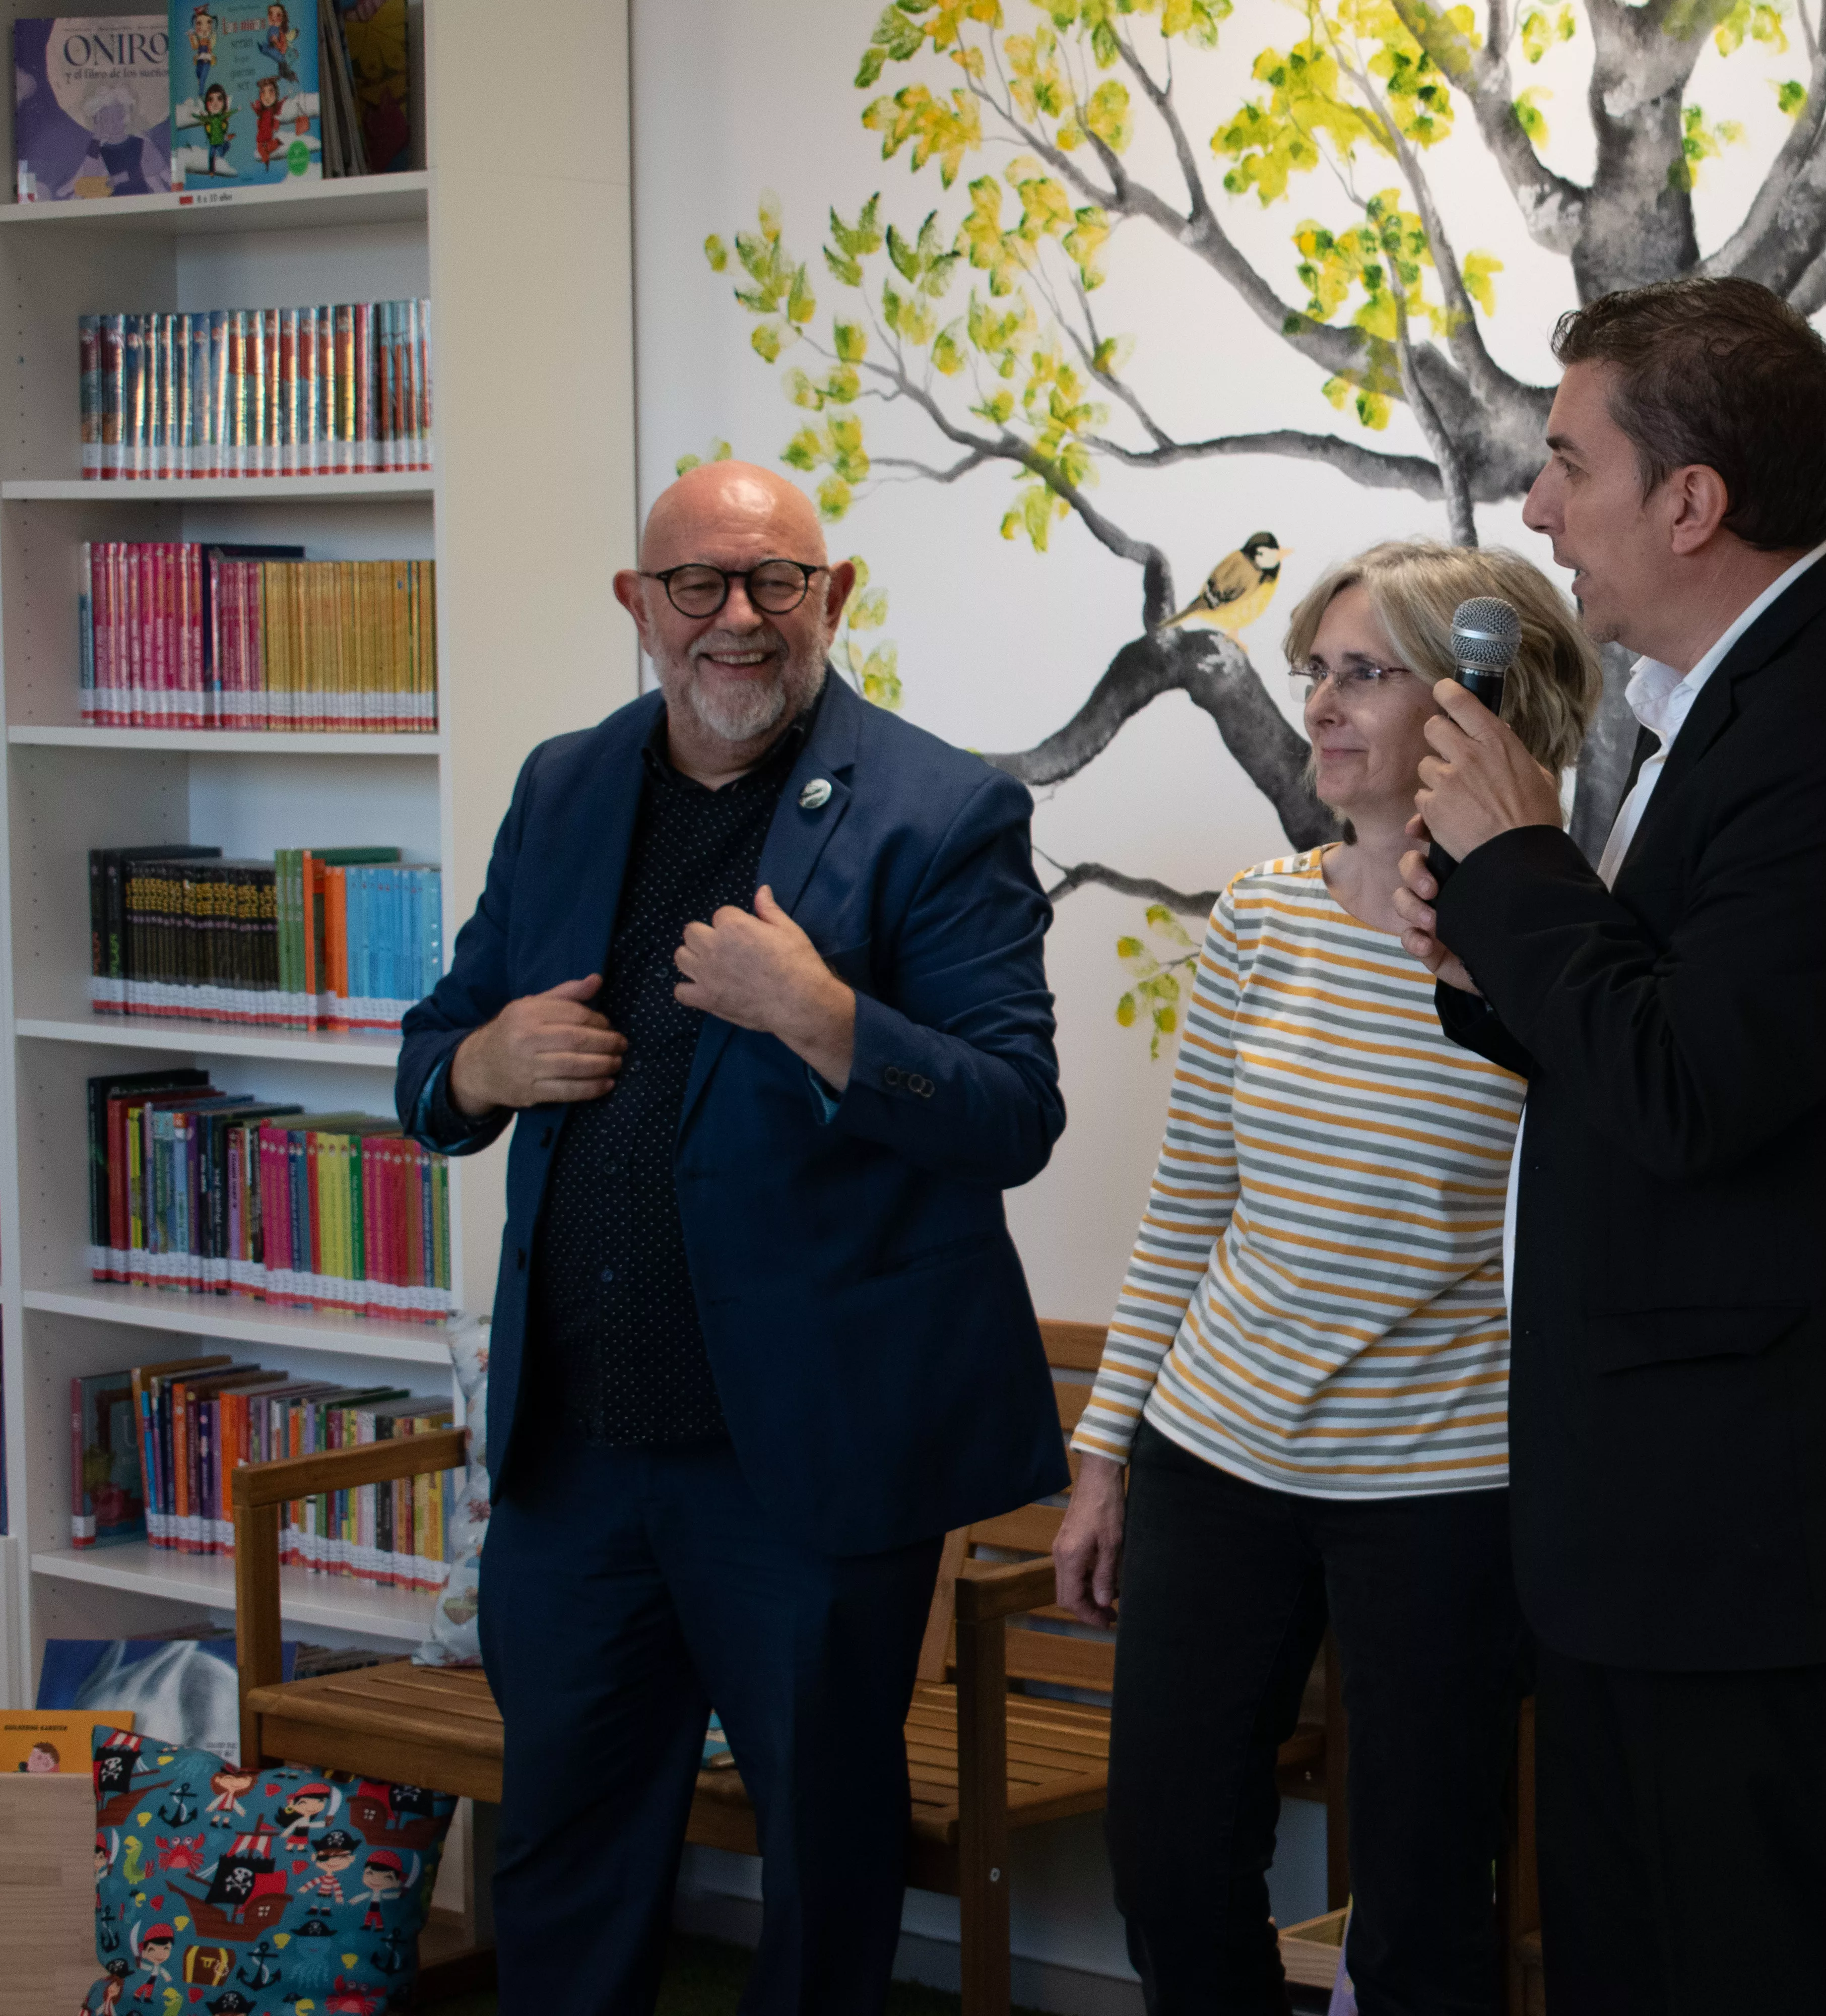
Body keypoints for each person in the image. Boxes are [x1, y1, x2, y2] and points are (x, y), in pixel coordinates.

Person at [1394, 277, 1826, 2013]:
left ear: (1691, 500)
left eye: (1564, 463)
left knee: (1749, 1976)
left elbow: (1690, 1084)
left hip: (1776, 1540)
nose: (1533, 512)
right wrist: (1490, 964)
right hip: (1678, 1525)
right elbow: (1654, 1039)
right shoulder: (1733, 708)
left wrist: (1523, 873)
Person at [396, 460, 1067, 2016]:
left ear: (834, 599)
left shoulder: (943, 807)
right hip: (576, 1460)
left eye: (776, 583)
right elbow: (442, 1039)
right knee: (564, 1850)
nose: (738, 619)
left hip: (807, 1470)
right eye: (698, 584)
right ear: (639, 610)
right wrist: (476, 1070)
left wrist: (831, 1022)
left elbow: (1013, 1112)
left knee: (824, 1868)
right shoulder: (566, 784)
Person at [1057, 539, 1601, 2012]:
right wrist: (1105, 1455)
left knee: (1428, 1907)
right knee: (1170, 1861)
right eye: (1317, 672)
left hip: (1441, 1495)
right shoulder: (1260, 918)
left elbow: (1595, 1240)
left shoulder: (1566, 954)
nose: (1323, 705)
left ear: (1476, 700)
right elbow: (1187, 1212)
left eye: (1365, 672)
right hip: (1217, 1460)